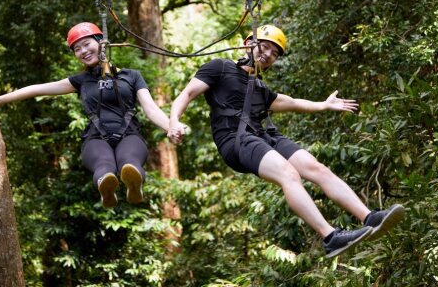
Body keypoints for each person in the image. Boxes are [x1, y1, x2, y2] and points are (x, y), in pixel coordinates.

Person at [168, 24, 405, 258]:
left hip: (262, 135)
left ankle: (369, 217)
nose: (269, 55)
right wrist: (174, 121)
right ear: (247, 44)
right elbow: (186, 94)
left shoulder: (261, 88)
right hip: (234, 139)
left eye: (275, 53)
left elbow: (290, 102)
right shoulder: (219, 68)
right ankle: (331, 237)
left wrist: (324, 105)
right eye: (265, 47)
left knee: (316, 168)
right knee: (288, 173)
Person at [0, 22, 185, 208]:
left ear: (101, 43)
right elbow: (38, 89)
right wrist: (1, 99)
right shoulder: (80, 80)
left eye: (86, 44)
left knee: (129, 161)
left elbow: (150, 109)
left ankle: (134, 184)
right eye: (77, 49)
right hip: (95, 137)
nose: (83, 51)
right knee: (104, 165)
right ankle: (106, 188)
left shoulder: (131, 76)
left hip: (129, 134)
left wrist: (170, 127)